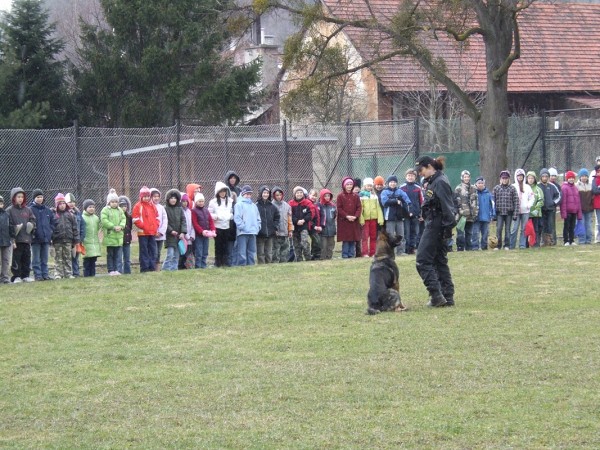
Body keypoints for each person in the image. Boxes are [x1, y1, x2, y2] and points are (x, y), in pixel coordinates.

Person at [414, 156, 457, 307]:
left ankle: (436, 295)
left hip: (437, 225)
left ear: (429, 167)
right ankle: (447, 296)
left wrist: (446, 229)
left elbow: (448, 207)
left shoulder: (440, 182)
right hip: (436, 223)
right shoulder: (435, 181)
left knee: (422, 260)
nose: (419, 173)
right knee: (439, 261)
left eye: (421, 170)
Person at [6, 187, 35, 283]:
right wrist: (14, 230)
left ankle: (25, 276)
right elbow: (8, 224)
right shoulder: (9, 210)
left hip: (26, 239)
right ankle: (16, 276)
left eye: (22, 197)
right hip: (16, 240)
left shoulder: (28, 210)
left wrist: (31, 226)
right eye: (18, 197)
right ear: (14, 198)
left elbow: (33, 220)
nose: (20, 199)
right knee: (16, 258)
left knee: (26, 258)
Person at [380, 175, 411, 255]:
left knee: (401, 235)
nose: (393, 184)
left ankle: (401, 251)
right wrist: (395, 201)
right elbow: (385, 202)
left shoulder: (400, 191)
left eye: (394, 182)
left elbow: (407, 200)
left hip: (399, 217)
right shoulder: (385, 192)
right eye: (391, 182)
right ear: (388, 183)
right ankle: (390, 252)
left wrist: (405, 204)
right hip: (390, 217)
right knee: (390, 236)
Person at [30, 189, 56, 281]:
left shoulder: (47, 210)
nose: (40, 199)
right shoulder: (30, 209)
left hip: (46, 238)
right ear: (34, 198)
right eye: (38, 197)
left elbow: (52, 222)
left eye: (41, 197)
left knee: (44, 258)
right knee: (36, 259)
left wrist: (50, 231)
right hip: (35, 239)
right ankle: (37, 275)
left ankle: (45, 274)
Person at [132, 186, 159, 273]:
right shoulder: (138, 206)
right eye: (145, 196)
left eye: (148, 196)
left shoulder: (152, 206)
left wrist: (156, 225)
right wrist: (143, 226)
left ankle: (152, 267)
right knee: (144, 250)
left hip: (152, 232)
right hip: (143, 233)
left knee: (152, 250)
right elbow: (135, 218)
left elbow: (157, 217)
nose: (147, 198)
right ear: (141, 197)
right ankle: (144, 267)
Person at [52, 193, 79, 280]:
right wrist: (52, 238)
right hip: (57, 240)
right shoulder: (54, 215)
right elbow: (51, 227)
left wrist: (76, 239)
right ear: (57, 205)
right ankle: (58, 273)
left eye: (64, 203)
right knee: (58, 258)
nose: (62, 206)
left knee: (68, 257)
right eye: (60, 204)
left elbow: (74, 227)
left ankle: (68, 273)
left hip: (68, 239)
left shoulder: (70, 215)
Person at [234, 185, 261, 266]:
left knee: (252, 251)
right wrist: (242, 227)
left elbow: (258, 218)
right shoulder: (239, 205)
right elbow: (237, 218)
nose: (248, 196)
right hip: (242, 233)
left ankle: (251, 266)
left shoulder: (254, 206)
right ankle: (242, 266)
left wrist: (257, 227)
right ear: (242, 194)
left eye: (250, 194)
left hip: (252, 232)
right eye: (246, 194)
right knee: (242, 252)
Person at [492, 170, 519, 250]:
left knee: (507, 230)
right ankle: (498, 245)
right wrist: (493, 214)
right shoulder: (496, 188)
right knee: (499, 229)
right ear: (500, 179)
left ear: (509, 179)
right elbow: (493, 202)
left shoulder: (512, 188)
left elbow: (516, 202)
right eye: (503, 178)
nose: (504, 180)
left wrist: (515, 214)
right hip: (499, 213)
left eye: (506, 178)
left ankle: (507, 245)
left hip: (509, 213)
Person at [101, 189, 126, 275]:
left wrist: (121, 226)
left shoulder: (120, 210)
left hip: (118, 237)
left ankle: (118, 270)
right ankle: (111, 270)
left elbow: (123, 219)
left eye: (116, 201)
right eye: (112, 202)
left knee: (118, 255)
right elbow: (104, 220)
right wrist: (113, 227)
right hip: (110, 237)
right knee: (110, 255)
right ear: (109, 202)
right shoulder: (105, 210)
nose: (114, 203)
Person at [208, 182, 233, 267]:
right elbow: (209, 213)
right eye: (221, 191)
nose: (223, 193)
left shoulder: (230, 201)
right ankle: (218, 262)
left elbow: (231, 212)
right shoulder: (213, 202)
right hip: (217, 226)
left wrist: (230, 216)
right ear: (217, 192)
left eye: (224, 191)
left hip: (226, 226)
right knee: (218, 245)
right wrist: (216, 217)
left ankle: (225, 262)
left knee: (225, 245)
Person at [336, 177, 362, 258]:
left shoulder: (356, 196)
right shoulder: (340, 196)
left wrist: (355, 216)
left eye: (351, 184)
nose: (349, 186)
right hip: (344, 221)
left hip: (354, 221)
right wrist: (347, 216)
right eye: (347, 184)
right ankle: (345, 255)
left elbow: (359, 207)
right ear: (344, 185)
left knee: (353, 239)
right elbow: (339, 208)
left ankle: (351, 255)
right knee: (346, 239)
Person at [400, 169, 424, 254]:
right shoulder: (402, 187)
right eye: (409, 175)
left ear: (415, 177)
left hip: (416, 214)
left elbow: (422, 201)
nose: (410, 177)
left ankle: (412, 248)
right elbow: (400, 201)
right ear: (406, 176)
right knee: (407, 232)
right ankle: (406, 249)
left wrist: (421, 213)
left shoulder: (418, 188)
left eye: (412, 176)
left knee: (415, 232)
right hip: (405, 214)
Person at [163, 189, 187, 271]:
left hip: (178, 236)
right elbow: (165, 222)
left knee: (177, 254)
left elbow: (183, 221)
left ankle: (174, 268)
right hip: (170, 236)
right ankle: (166, 268)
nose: (173, 200)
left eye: (175, 198)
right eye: (171, 198)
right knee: (170, 254)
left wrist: (183, 232)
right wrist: (170, 230)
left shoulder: (179, 209)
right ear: (168, 199)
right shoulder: (165, 209)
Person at [454, 170, 478, 251]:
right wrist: (459, 212)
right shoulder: (458, 188)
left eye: (467, 177)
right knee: (460, 233)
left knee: (469, 233)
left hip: (471, 215)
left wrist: (475, 213)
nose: (466, 178)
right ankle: (460, 248)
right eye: (465, 177)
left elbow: (475, 201)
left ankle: (469, 248)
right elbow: (456, 202)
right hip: (462, 215)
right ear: (462, 178)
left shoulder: (474, 188)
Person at [359, 177, 384, 257]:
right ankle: (365, 253)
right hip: (365, 219)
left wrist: (380, 219)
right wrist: (361, 219)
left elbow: (378, 208)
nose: (369, 187)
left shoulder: (374, 196)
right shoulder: (361, 196)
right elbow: (360, 209)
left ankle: (373, 252)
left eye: (370, 186)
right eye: (368, 186)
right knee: (365, 237)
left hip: (373, 219)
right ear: (364, 186)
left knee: (373, 236)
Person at [510, 168, 534, 249]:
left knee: (524, 229)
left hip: (525, 211)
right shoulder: (513, 186)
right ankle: (511, 245)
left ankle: (522, 245)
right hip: (515, 211)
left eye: (521, 176)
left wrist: (528, 205)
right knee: (514, 228)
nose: (520, 177)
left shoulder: (527, 187)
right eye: (518, 176)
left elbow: (532, 198)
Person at [256, 186, 280, 264]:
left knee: (269, 252)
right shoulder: (256, 206)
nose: (265, 195)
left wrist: (274, 227)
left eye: (267, 193)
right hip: (260, 233)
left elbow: (277, 217)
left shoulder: (272, 206)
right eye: (264, 193)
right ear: (261, 194)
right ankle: (261, 265)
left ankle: (269, 265)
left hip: (270, 233)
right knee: (260, 252)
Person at [192, 193, 216, 269]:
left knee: (205, 251)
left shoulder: (206, 210)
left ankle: (203, 265)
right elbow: (195, 223)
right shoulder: (194, 211)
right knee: (199, 251)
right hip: (199, 235)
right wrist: (201, 231)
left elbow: (211, 221)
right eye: (199, 201)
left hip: (206, 235)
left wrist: (213, 230)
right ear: (196, 202)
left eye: (202, 201)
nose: (201, 203)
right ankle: (198, 265)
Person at [289, 186, 312, 261]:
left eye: (301, 192)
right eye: (297, 193)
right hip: (295, 227)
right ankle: (299, 259)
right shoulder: (291, 203)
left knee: (304, 242)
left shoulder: (307, 203)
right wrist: (296, 221)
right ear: (294, 194)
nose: (299, 194)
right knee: (296, 245)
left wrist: (304, 220)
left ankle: (308, 258)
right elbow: (290, 215)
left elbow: (309, 214)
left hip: (304, 227)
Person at [538, 168, 561, 246]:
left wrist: (553, 202)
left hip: (550, 210)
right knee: (542, 225)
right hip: (541, 210)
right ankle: (544, 241)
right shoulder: (538, 186)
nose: (544, 178)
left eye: (546, 176)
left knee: (551, 226)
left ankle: (552, 241)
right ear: (540, 177)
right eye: (543, 176)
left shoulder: (552, 186)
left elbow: (558, 195)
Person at [560, 170, 582, 246]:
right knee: (566, 226)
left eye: (573, 178)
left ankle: (572, 240)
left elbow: (578, 201)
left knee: (572, 226)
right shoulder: (564, 188)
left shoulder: (575, 188)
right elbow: (563, 202)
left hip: (574, 211)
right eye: (570, 178)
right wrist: (564, 213)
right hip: (568, 211)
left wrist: (579, 212)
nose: (571, 179)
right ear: (567, 179)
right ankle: (566, 240)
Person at [271, 186, 293, 263]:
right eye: (277, 195)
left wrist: (290, 230)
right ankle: (275, 264)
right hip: (276, 233)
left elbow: (289, 220)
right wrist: (274, 230)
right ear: (273, 196)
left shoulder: (287, 206)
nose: (279, 197)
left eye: (280, 195)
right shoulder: (271, 206)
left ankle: (284, 264)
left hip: (285, 232)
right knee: (275, 251)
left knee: (285, 251)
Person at [472, 177, 494, 250]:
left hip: (486, 217)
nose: (480, 184)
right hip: (476, 217)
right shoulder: (474, 193)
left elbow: (492, 205)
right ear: (476, 184)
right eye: (479, 183)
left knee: (485, 234)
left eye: (482, 183)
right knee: (475, 233)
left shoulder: (488, 194)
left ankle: (484, 247)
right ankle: (475, 247)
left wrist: (492, 214)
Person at [81, 199, 101, 277]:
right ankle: (86, 274)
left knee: (93, 260)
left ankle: (93, 274)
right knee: (87, 261)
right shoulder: (82, 217)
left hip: (94, 242)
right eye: (89, 207)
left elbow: (98, 228)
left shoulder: (96, 218)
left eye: (93, 207)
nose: (92, 208)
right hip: (86, 242)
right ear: (85, 208)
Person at [65, 193, 82, 277]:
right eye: (69, 202)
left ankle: (76, 272)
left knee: (75, 256)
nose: (71, 204)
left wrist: (81, 237)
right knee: (67, 257)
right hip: (68, 239)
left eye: (73, 202)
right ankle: (68, 272)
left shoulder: (78, 213)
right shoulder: (64, 213)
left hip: (77, 239)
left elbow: (82, 225)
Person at [150, 188, 168, 271]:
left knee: (158, 252)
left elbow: (165, 220)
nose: (156, 198)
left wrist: (161, 232)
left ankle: (157, 267)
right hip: (152, 234)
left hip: (160, 235)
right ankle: (151, 267)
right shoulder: (149, 207)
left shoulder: (161, 208)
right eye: (154, 196)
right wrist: (154, 232)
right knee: (153, 251)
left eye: (158, 196)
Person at [526, 171, 544, 248]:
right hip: (526, 213)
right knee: (527, 229)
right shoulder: (524, 188)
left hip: (536, 213)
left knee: (536, 229)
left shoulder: (538, 189)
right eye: (529, 178)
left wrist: (536, 209)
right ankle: (526, 244)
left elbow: (541, 200)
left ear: (535, 179)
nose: (530, 180)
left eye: (532, 178)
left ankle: (536, 243)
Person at [317, 188, 337, 259]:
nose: (327, 197)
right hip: (323, 229)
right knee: (323, 245)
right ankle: (322, 258)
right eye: (325, 196)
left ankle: (329, 257)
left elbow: (334, 216)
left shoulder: (333, 206)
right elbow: (317, 217)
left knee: (331, 244)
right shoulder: (319, 206)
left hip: (331, 228)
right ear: (322, 196)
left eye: (328, 196)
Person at [576, 168, 594, 245]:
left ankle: (589, 239)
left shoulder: (590, 186)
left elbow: (593, 197)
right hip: (580, 209)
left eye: (585, 176)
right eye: (582, 176)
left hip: (589, 209)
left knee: (589, 225)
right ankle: (581, 240)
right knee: (581, 225)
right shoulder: (576, 186)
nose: (584, 177)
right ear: (580, 177)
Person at [0, 195, 15, 284]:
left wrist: (12, 239)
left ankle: (5, 277)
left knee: (6, 260)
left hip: (6, 240)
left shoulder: (6, 215)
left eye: (1, 203)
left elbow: (11, 227)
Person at [178, 193, 195, 269]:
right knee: (182, 252)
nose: (185, 203)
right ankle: (180, 266)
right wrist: (186, 235)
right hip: (183, 236)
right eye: (183, 201)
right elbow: (181, 225)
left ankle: (187, 266)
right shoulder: (179, 211)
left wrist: (192, 235)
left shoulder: (189, 211)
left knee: (188, 252)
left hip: (190, 237)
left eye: (186, 201)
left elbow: (191, 225)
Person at [118, 195, 133, 274]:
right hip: (119, 240)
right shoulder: (117, 216)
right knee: (119, 258)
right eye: (121, 206)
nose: (124, 208)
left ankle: (127, 272)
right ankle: (119, 271)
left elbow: (130, 228)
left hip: (127, 240)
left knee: (127, 258)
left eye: (125, 206)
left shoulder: (129, 217)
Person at [307, 188, 322, 260]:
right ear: (309, 195)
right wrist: (313, 226)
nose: (314, 197)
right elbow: (309, 217)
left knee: (316, 242)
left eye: (315, 196)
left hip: (315, 226)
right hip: (309, 226)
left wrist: (318, 226)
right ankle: (314, 256)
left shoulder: (315, 204)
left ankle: (315, 256)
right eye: (312, 195)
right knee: (317, 241)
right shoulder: (307, 204)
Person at [592, 164, 600, 243]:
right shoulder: (594, 180)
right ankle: (598, 238)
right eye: (598, 171)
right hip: (598, 204)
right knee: (599, 222)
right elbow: (595, 190)